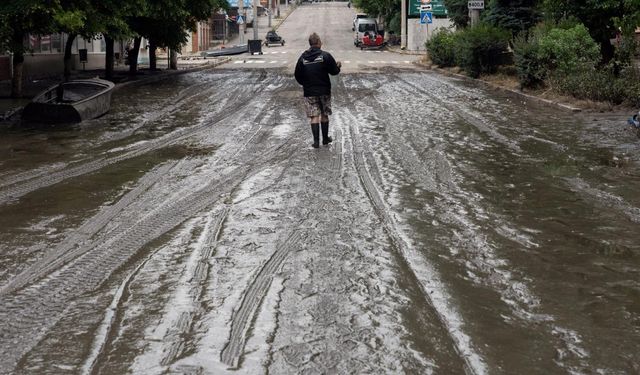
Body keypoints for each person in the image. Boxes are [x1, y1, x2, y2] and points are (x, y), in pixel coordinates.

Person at [294, 32, 342, 148]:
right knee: (324, 114)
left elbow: (297, 75)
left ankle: (316, 142)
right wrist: (338, 66)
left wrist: (305, 83)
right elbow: (334, 71)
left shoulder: (303, 58)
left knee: (314, 116)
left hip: (309, 92)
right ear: (319, 43)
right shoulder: (325, 56)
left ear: (310, 44)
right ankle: (325, 139)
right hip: (324, 90)